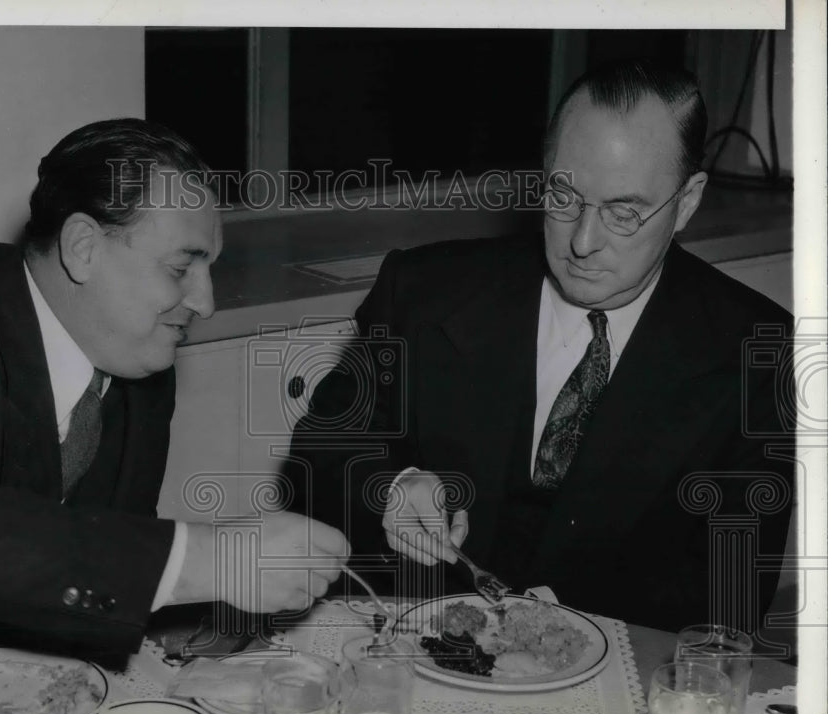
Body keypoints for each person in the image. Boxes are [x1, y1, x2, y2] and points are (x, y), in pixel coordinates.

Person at [285, 59, 794, 633]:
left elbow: (733, 590)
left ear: (688, 201)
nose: (582, 240)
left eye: (623, 213)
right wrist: (394, 486)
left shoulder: (758, 349)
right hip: (415, 652)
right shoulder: (423, 292)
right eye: (562, 195)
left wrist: (559, 617)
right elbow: (314, 459)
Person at [0, 119, 348, 665]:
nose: (205, 303)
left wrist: (192, 614)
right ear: (84, 247)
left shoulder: (135, 357)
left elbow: (98, 549)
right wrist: (208, 561)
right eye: (182, 266)